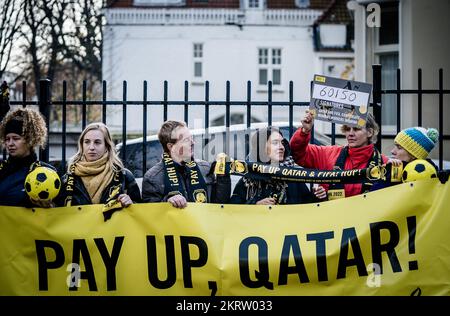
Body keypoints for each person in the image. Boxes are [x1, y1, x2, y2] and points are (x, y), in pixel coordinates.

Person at [290, 111, 388, 199]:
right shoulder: (329, 154)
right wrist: (304, 131)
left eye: (356, 129)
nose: (350, 133)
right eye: (347, 129)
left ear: (370, 132)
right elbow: (298, 153)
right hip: (332, 217)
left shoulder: (385, 163)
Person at [142, 120, 231, 208]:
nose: (193, 143)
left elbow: (219, 207)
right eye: (186, 140)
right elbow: (150, 216)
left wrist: (223, 177)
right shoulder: (152, 177)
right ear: (171, 146)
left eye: (191, 138)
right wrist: (168, 202)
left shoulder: (205, 168)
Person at [230, 127, 326, 205]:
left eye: (282, 143)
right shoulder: (248, 178)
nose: (281, 147)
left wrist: (316, 196)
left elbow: (305, 206)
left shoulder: (292, 175)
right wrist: (256, 205)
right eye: (275, 143)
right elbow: (233, 209)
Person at [56, 122, 141, 207]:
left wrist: (131, 203)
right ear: (82, 145)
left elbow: (140, 210)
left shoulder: (124, 177)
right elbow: (57, 212)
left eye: (97, 142)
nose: (91, 147)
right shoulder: (66, 178)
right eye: (87, 142)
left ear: (106, 146)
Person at [0, 107, 54, 207]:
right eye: (7, 139)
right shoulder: (2, 169)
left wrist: (48, 206)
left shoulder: (45, 172)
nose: (10, 144)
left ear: (30, 140)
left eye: (16, 138)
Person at [371, 126, 439, 191]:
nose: (392, 151)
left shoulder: (430, 172)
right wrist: (387, 172)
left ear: (413, 154)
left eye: (399, 147)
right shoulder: (394, 168)